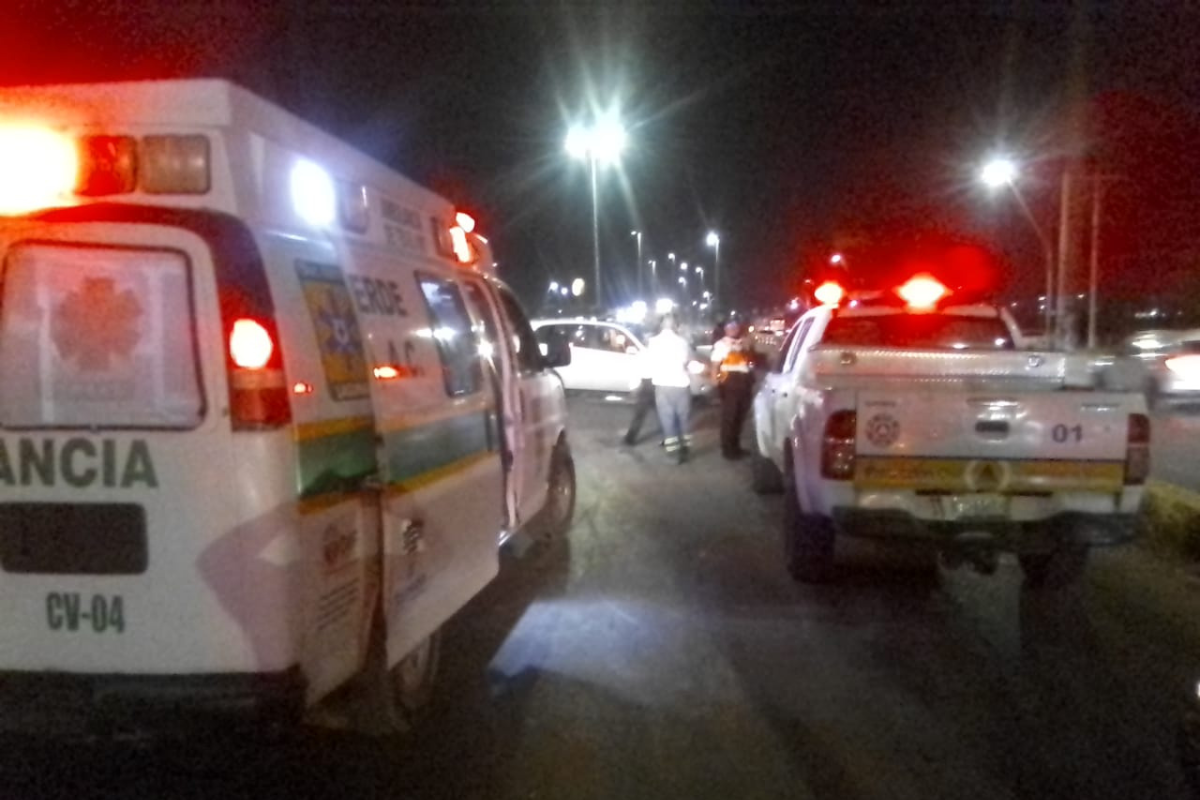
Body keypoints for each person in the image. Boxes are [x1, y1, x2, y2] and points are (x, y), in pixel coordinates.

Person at [645, 313, 693, 464]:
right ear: (675, 325)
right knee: (683, 419)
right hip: (681, 385)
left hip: (663, 385)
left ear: (661, 325)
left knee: (667, 419)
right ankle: (685, 448)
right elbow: (686, 361)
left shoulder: (653, 342)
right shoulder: (683, 341)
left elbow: (649, 363)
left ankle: (674, 454)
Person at [711, 320, 756, 459]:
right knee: (730, 417)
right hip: (730, 382)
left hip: (744, 381)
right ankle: (728, 450)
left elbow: (751, 360)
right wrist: (715, 380)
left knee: (740, 416)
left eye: (735, 327)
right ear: (725, 330)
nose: (733, 330)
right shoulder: (721, 344)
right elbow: (715, 364)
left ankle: (736, 447)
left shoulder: (743, 343)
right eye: (730, 328)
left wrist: (748, 347)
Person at [622, 346, 659, 446]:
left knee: (640, 414)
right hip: (657, 384)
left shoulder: (643, 353)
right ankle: (670, 436)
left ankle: (629, 439)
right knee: (663, 413)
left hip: (647, 384)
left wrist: (633, 388)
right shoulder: (660, 353)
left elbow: (636, 371)